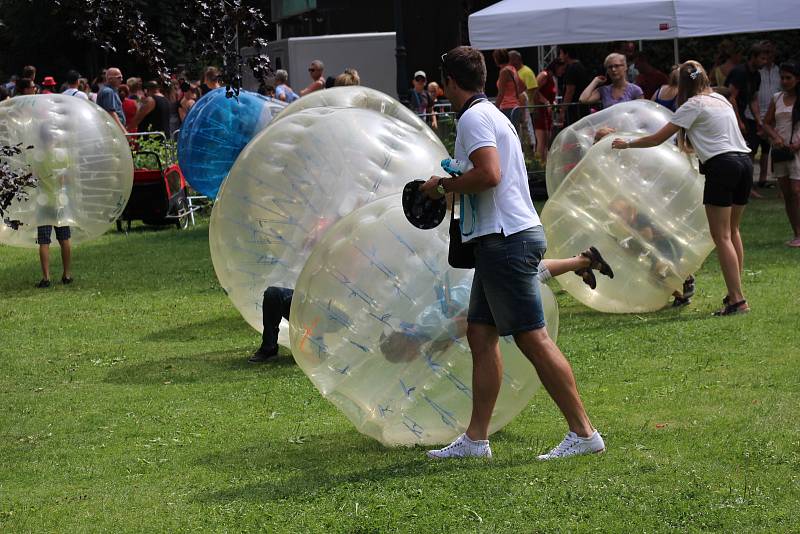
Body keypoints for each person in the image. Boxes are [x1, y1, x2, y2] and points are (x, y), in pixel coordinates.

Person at [418, 46, 604, 461]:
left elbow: (489, 174)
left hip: (506, 239)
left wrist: (443, 186)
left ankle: (584, 432)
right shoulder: (491, 114)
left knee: (532, 338)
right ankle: (476, 439)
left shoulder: (472, 117)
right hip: (500, 238)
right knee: (481, 335)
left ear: (449, 82)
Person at [250, 249, 614, 364]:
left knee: (531, 274)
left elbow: (458, 321)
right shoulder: (417, 330)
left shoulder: (424, 332)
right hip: (468, 286)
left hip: (476, 293)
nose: (411, 361)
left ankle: (583, 259)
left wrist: (459, 333)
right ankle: (582, 262)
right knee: (532, 273)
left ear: (405, 345)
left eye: (405, 357)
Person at [612, 60, 753, 316]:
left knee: (721, 236)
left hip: (722, 166)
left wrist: (627, 144)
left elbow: (656, 138)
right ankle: (736, 291)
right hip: (744, 162)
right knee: (732, 231)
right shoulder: (720, 100)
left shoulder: (692, 105)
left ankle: (737, 299)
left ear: (681, 85)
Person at [762, 62, 800, 247]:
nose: (784, 81)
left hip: (798, 151)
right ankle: (797, 233)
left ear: (797, 79)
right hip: (781, 151)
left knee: (796, 191)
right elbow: (766, 123)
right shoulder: (776, 98)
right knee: (787, 194)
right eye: (782, 77)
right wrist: (775, 137)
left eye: (788, 78)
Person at [725, 42, 769, 156]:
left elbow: (753, 99)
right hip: (727, 115)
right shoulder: (740, 72)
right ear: (753, 57)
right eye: (762, 58)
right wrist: (738, 121)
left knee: (749, 146)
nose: (765, 62)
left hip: (740, 114)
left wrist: (759, 120)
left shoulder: (757, 75)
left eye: (766, 59)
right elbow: (731, 97)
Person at [755, 41, 781, 189]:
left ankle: (764, 178)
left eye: (771, 53)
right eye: (766, 53)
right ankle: (750, 181)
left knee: (768, 149)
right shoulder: (758, 71)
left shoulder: (778, 70)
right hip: (757, 114)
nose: (769, 56)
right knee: (754, 148)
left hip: (774, 114)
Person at [580, 53, 644, 108]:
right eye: (610, 67)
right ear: (607, 71)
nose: (613, 69)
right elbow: (583, 99)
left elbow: (641, 113)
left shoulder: (635, 90)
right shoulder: (604, 90)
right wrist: (595, 81)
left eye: (617, 66)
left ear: (625, 67)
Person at [533, 60, 564, 163]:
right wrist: (545, 101)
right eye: (561, 68)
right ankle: (538, 166)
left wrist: (555, 107)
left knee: (546, 142)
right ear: (556, 66)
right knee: (541, 142)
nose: (562, 71)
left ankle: (544, 165)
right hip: (540, 111)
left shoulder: (552, 78)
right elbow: (534, 90)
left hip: (548, 112)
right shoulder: (544, 75)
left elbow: (551, 97)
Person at [558, 45, 592, 126]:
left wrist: (563, 111)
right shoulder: (581, 66)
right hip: (582, 109)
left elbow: (569, 91)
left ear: (567, 54)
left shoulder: (572, 68)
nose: (560, 56)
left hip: (575, 110)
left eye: (561, 53)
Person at [492, 49, 526, 124]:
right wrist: (514, 95)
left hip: (507, 108)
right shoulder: (512, 69)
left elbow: (501, 94)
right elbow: (523, 86)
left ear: (497, 59)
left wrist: (494, 109)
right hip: (516, 107)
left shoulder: (504, 71)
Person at [95, 67, 126, 131]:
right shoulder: (108, 91)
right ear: (110, 79)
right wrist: (124, 131)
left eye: (121, 77)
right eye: (119, 77)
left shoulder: (111, 90)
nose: (121, 79)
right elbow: (111, 113)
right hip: (113, 129)